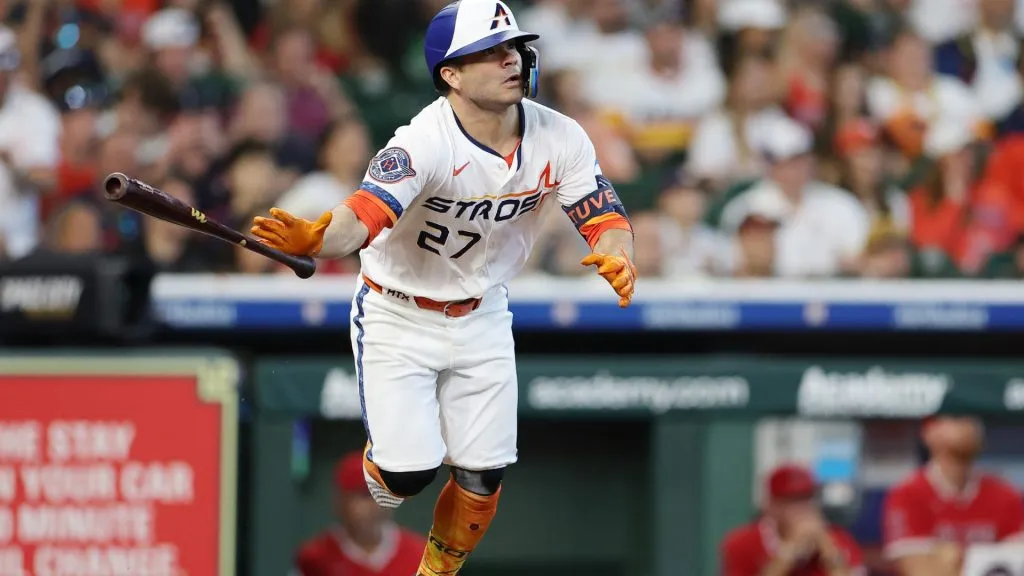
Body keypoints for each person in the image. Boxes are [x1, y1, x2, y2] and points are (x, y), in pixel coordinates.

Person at [249, 1, 637, 575]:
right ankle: (386, 457)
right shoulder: (423, 141)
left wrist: (617, 251)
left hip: (483, 311)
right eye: (489, 52)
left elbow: (603, 214)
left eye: (512, 47)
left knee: (483, 476)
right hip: (399, 311)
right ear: (450, 74)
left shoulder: (560, 135)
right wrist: (318, 238)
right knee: (405, 478)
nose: (511, 60)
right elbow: (361, 218)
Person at [882, 416, 1024, 576]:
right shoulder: (908, 493)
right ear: (929, 432)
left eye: (972, 418)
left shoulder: (1005, 493)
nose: (967, 425)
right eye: (955, 417)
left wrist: (958, 558)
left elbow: (1016, 562)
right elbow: (918, 570)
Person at [294, 451, 426, 576]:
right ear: (341, 501)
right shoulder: (314, 559)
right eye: (366, 495)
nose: (377, 504)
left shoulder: (421, 554)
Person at [720, 463, 865, 576]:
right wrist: (789, 552)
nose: (802, 508)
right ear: (771, 505)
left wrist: (828, 548)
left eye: (807, 499)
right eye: (792, 501)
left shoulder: (839, 539)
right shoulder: (741, 543)